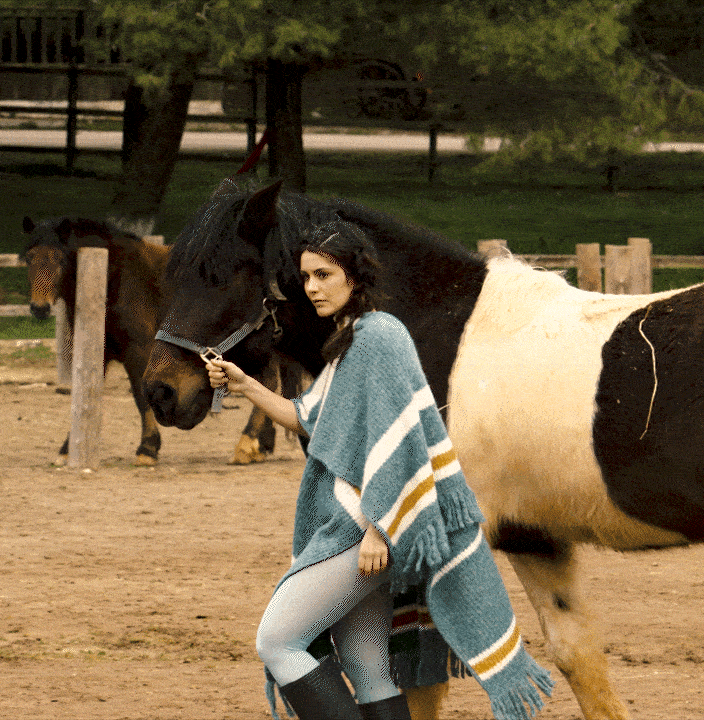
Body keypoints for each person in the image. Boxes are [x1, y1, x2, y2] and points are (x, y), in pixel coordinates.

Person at [206, 221, 553, 720]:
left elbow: (405, 441)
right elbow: (310, 419)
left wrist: (379, 528)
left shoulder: (380, 336)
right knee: (367, 665)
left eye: (324, 274)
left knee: (279, 642)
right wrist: (244, 385)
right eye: (306, 277)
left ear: (355, 276)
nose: (312, 288)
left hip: (367, 530)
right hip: (364, 526)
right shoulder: (350, 340)